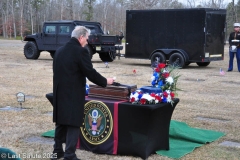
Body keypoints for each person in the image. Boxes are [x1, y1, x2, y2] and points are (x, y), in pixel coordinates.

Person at [52, 26, 115, 160]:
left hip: (59, 91)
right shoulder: (81, 52)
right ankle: (69, 154)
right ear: (81, 38)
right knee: (73, 123)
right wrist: (106, 81)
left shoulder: (59, 51)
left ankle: (57, 151)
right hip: (73, 92)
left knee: (61, 122)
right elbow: (90, 72)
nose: (87, 41)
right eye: (86, 38)